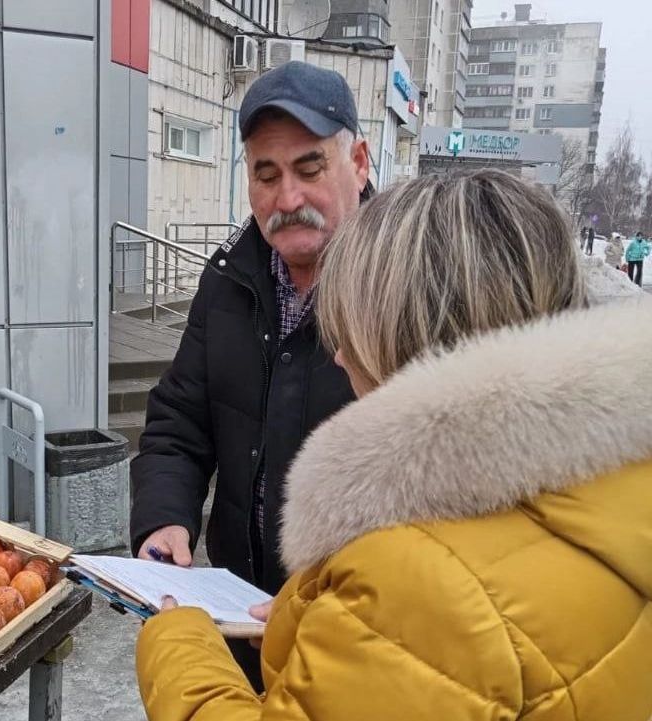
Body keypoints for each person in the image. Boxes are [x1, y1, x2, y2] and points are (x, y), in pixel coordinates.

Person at [136, 170, 652, 720]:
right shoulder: (616, 479)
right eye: (262, 171)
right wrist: (324, 632)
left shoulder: (411, 584)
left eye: (353, 326)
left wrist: (179, 645)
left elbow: (427, 620)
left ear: (407, 329)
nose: (338, 357)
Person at [129, 61, 369, 689]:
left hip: (356, 636)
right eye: (266, 175)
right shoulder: (229, 278)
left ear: (360, 162)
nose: (287, 200)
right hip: (235, 615)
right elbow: (179, 421)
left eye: (309, 168)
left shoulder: (402, 285)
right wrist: (164, 519)